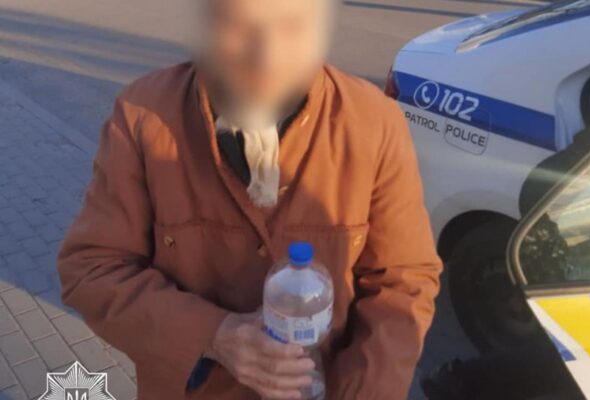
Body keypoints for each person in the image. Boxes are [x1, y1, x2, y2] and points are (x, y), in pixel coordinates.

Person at [57, 0, 442, 399]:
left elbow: (404, 280)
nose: (266, 57)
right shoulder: (144, 116)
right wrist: (212, 335)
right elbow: (91, 269)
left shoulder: (373, 122)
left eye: (292, 27)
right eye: (239, 28)